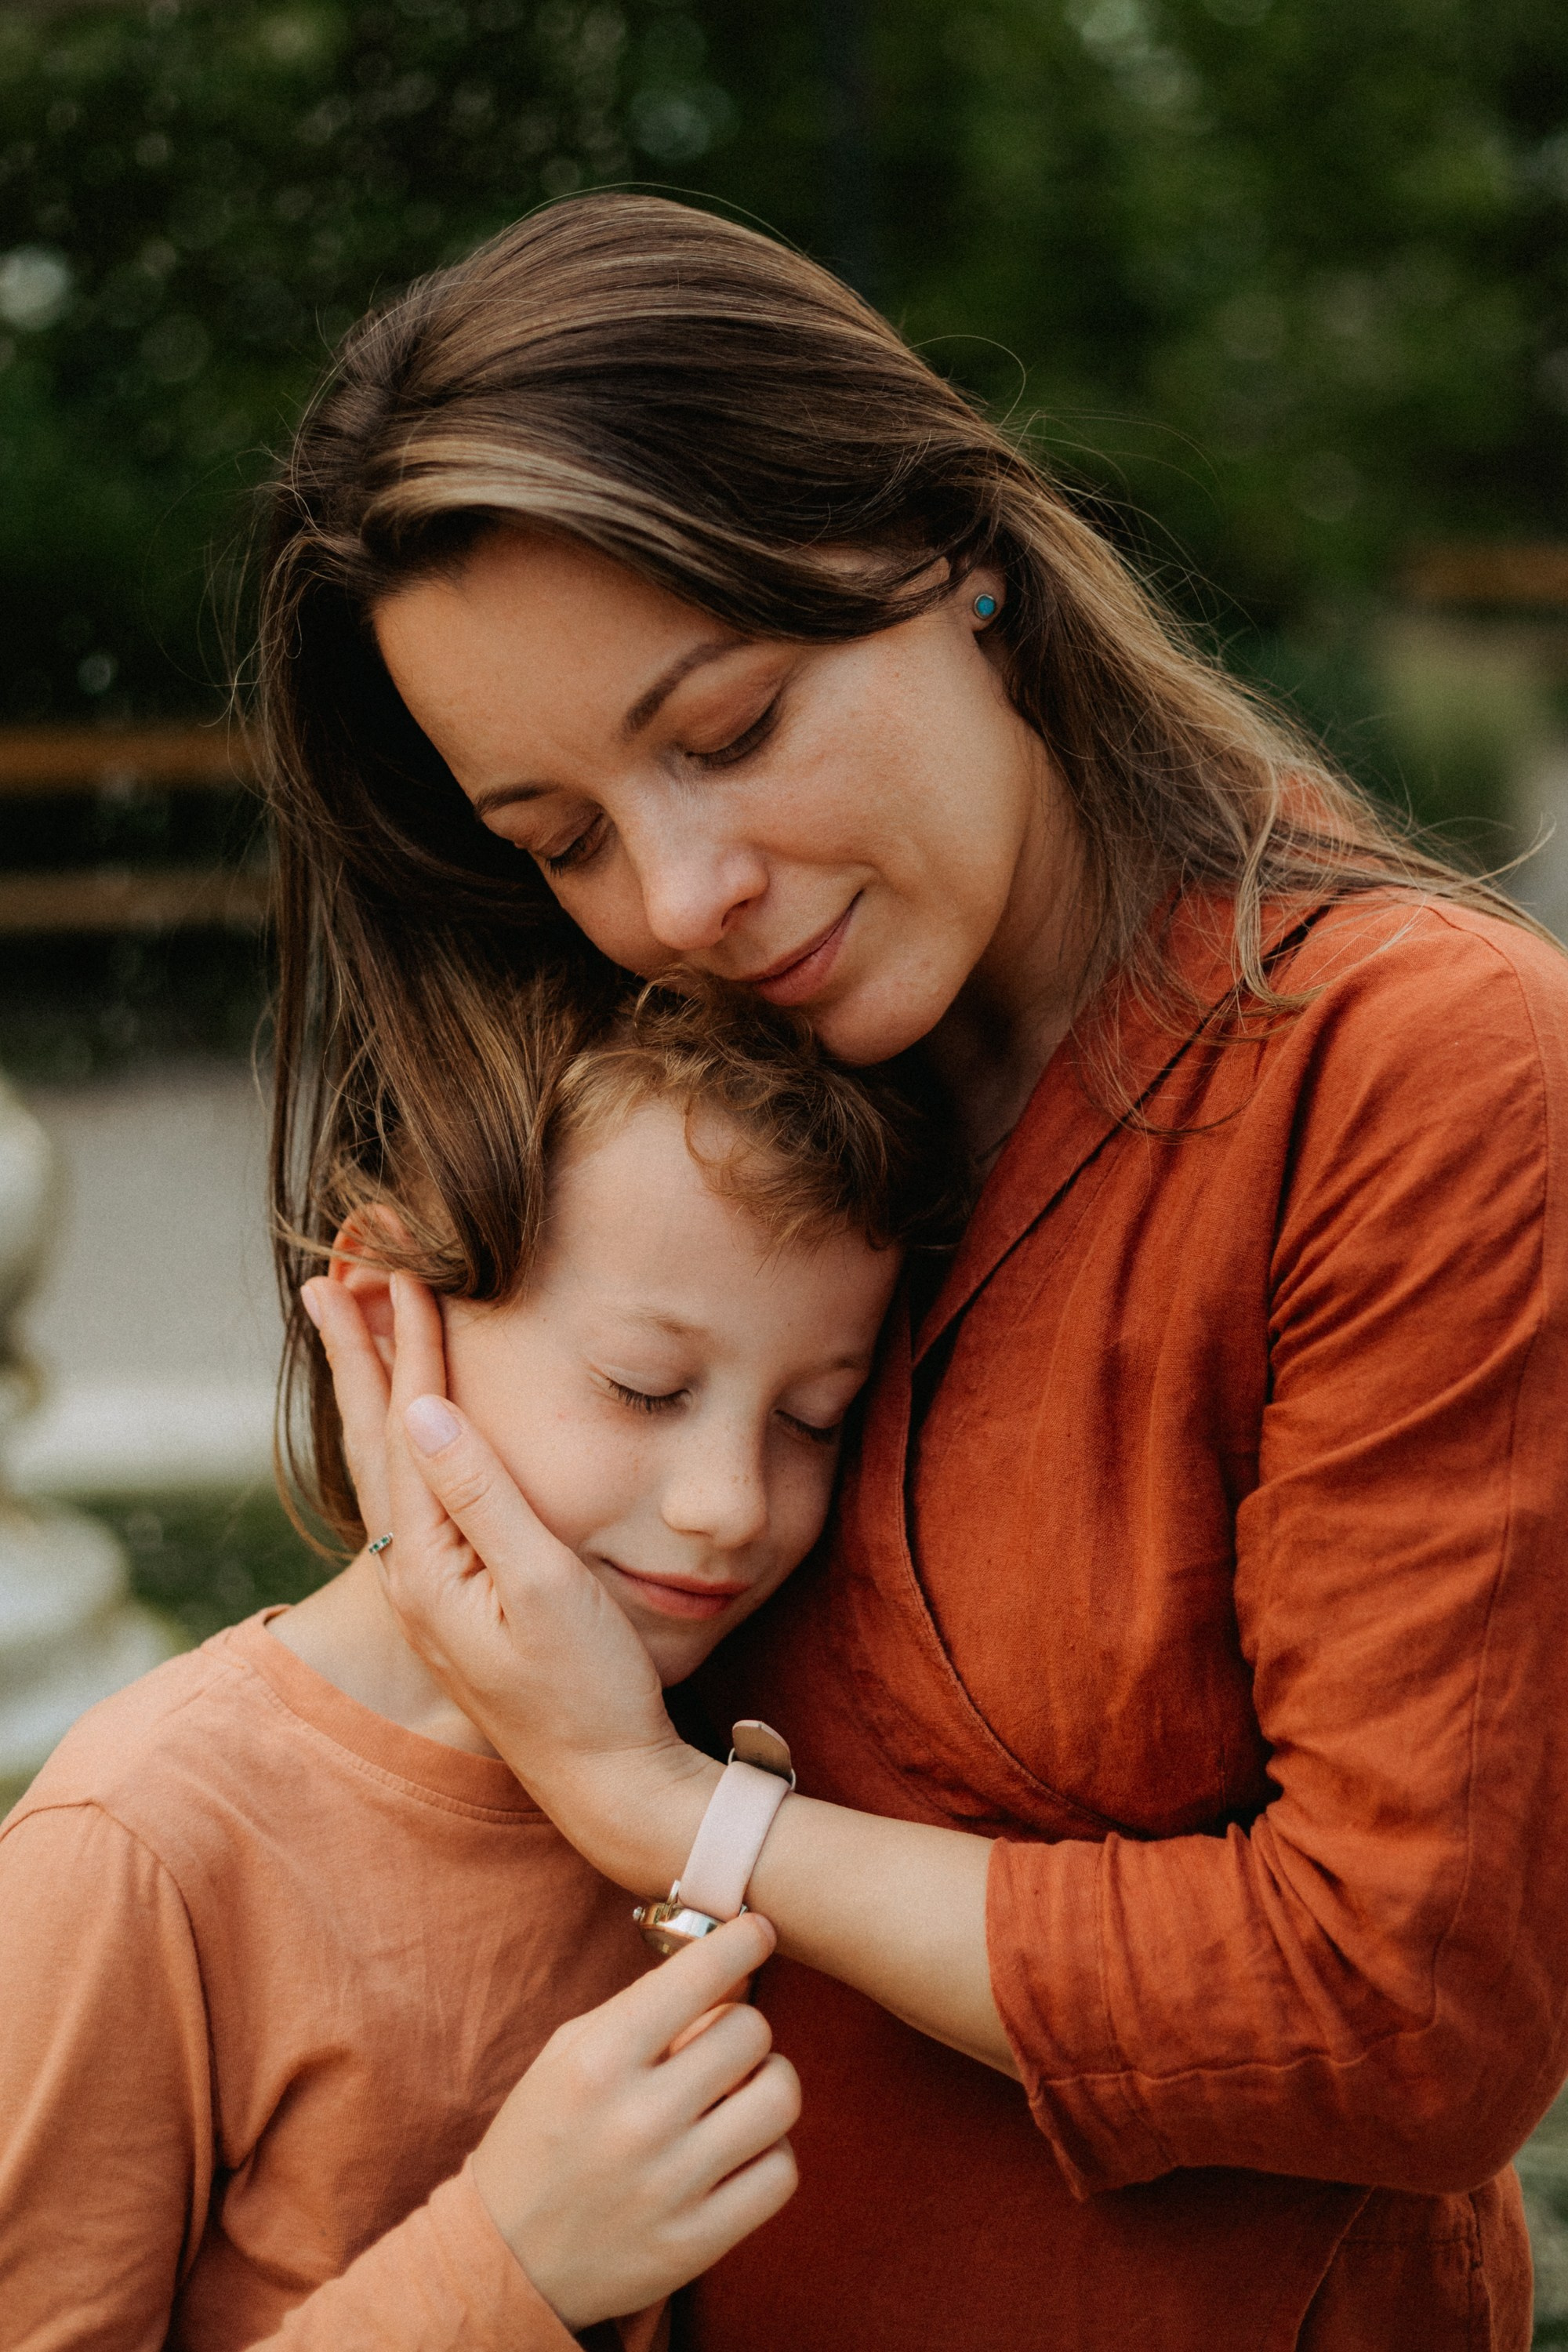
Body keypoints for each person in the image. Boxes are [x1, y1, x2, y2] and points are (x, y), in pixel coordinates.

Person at [260, 192, 1568, 2349]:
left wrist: (666, 1812)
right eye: (559, 837)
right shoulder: (683, 1123)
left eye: (732, 726)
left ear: (958, 562)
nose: (683, 894)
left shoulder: (1409, 1079)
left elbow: (1406, 2014)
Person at [0, 984, 954, 2351]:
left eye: (815, 1417)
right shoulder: (140, 1847)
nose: (730, 1503)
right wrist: (509, 2260)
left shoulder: (746, 1744)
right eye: (644, 1385)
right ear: (392, 1322)